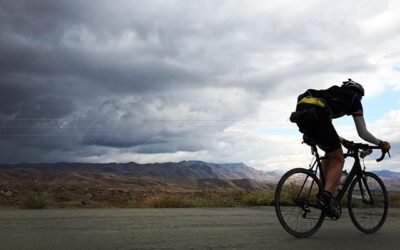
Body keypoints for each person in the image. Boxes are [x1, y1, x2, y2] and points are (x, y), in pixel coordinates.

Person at [290, 79, 391, 219]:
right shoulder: (354, 98)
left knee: (329, 152)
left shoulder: (330, 96)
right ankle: (325, 197)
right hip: (318, 115)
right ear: (358, 93)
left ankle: (323, 191)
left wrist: (343, 141)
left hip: (302, 114)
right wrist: (380, 143)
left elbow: (327, 130)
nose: (360, 99)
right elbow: (362, 132)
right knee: (339, 159)